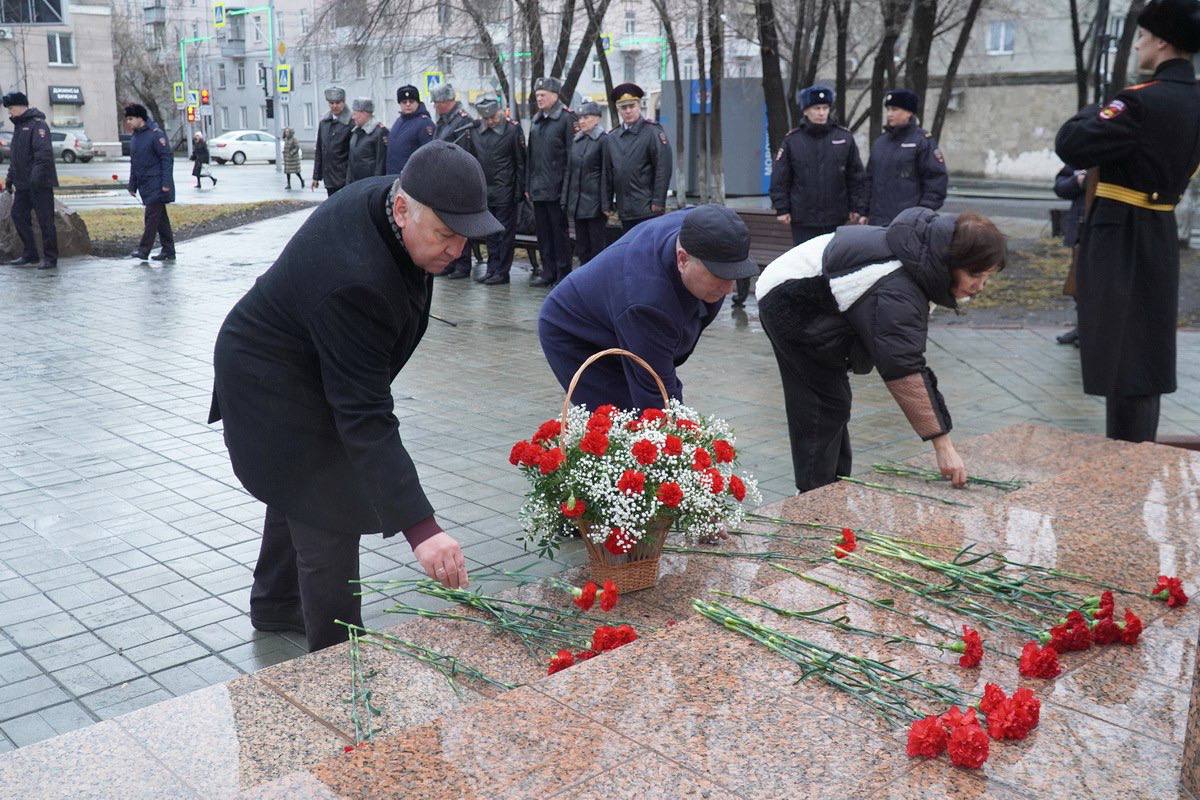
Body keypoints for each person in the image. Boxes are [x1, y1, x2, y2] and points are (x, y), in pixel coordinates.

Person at [208, 141, 503, 652]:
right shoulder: (354, 280)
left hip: (304, 356)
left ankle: (277, 606)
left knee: (295, 485)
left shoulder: (391, 206)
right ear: (404, 208)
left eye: (466, 238)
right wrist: (423, 529)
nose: (458, 251)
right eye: (446, 235)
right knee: (326, 508)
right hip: (269, 377)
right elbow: (365, 414)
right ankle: (339, 662)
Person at [756, 208, 1006, 493]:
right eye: (976, 275)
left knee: (832, 399)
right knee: (822, 402)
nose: (980, 287)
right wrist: (943, 446)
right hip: (790, 298)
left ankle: (831, 488)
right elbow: (904, 368)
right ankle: (816, 495)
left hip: (811, 291)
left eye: (987, 278)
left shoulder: (922, 257)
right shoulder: (898, 287)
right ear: (953, 261)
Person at [1055, 0, 1200, 443]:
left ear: (1160, 41)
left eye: (1141, 36)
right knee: (1147, 353)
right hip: (1160, 230)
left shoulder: (1139, 102)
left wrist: (1099, 106)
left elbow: (1072, 142)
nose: (1137, 44)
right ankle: (1135, 454)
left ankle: (1126, 460)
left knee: (1122, 355)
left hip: (1118, 233)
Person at [538, 205, 759, 410]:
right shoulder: (647, 302)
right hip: (573, 332)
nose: (729, 289)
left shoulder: (701, 230)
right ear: (683, 260)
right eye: (719, 275)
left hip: (622, 314)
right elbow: (658, 397)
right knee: (623, 423)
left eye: (735, 275)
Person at [743, 85, 866, 306]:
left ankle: (831, 304)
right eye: (816, 108)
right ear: (806, 111)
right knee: (805, 263)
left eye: (825, 108)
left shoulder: (843, 138)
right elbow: (780, 178)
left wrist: (857, 207)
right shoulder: (793, 141)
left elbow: (856, 176)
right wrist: (782, 208)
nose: (821, 113)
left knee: (832, 262)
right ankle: (807, 304)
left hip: (835, 216)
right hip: (803, 218)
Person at [862, 89, 948, 226]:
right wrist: (864, 211)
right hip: (877, 222)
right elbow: (869, 180)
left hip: (908, 224)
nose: (889, 114)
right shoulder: (880, 142)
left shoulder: (922, 141)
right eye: (888, 109)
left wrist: (921, 214)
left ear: (909, 112)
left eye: (895, 109)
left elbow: (936, 181)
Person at [527, 76, 576, 287]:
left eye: (543, 95)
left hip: (557, 189)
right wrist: (528, 185)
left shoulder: (566, 119)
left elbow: (571, 156)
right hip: (538, 189)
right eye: (537, 95)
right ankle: (547, 271)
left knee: (559, 235)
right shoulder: (537, 120)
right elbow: (531, 156)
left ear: (555, 96)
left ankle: (562, 273)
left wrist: (566, 188)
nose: (539, 98)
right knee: (543, 235)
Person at [472, 93, 525, 285]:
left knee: (503, 234)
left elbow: (520, 162)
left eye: (493, 117)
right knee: (490, 234)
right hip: (486, 191)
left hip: (506, 191)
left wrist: (519, 191)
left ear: (500, 112)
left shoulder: (512, 130)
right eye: (486, 118)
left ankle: (502, 271)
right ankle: (491, 268)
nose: (491, 121)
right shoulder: (476, 131)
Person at [604, 82, 671, 233]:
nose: (628, 111)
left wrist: (658, 201)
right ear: (618, 109)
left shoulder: (652, 132)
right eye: (623, 107)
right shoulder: (612, 138)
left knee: (647, 251)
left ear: (639, 106)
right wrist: (607, 203)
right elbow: (608, 173)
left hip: (647, 207)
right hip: (624, 209)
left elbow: (663, 167)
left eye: (631, 106)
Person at [2, 91, 57, 270]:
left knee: (45, 221)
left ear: (21, 106)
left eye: (11, 108)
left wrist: (35, 179)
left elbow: (43, 155)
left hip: (40, 184)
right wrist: (10, 179)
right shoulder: (19, 127)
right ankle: (30, 253)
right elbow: (16, 158)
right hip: (23, 184)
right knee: (18, 215)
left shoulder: (38, 125)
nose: (10, 112)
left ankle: (50, 258)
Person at [430, 83, 477, 279]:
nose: (435, 106)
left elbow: (464, 152)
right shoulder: (442, 121)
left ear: (447, 102)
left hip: (459, 180)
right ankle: (450, 262)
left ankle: (463, 263)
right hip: (443, 179)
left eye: (437, 102)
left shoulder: (463, 121)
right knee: (446, 224)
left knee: (459, 224)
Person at [562, 101, 611, 267]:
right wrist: (565, 199)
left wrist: (605, 204)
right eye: (579, 118)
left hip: (594, 204)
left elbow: (606, 173)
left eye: (586, 117)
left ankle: (597, 282)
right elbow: (570, 172)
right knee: (581, 248)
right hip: (577, 203)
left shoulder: (604, 140)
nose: (581, 121)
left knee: (596, 248)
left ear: (597, 119)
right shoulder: (577, 141)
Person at [124, 103, 176, 262]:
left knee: (151, 218)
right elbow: (135, 163)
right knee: (161, 220)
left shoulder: (156, 134)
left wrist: (166, 183)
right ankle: (168, 251)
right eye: (127, 119)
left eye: (131, 119)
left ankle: (143, 250)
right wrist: (132, 185)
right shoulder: (136, 137)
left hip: (158, 184)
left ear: (141, 118)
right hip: (146, 185)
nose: (128, 122)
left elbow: (166, 159)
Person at [1052, 163, 1086, 346]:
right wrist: (1078, 181)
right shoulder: (1083, 152)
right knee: (1077, 283)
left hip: (1103, 231)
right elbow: (1060, 186)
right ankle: (1081, 327)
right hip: (1080, 230)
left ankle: (1092, 330)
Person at [312, 87, 352, 196]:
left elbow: (353, 154)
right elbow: (320, 150)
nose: (334, 106)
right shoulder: (324, 123)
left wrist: (350, 178)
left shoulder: (351, 122)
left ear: (344, 102)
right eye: (331, 103)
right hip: (329, 178)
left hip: (344, 179)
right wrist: (316, 176)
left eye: (338, 103)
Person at [386, 84, 434, 176]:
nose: (408, 104)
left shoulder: (424, 123)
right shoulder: (399, 121)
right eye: (404, 102)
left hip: (412, 179)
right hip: (394, 176)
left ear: (417, 102)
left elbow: (429, 155)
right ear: (400, 104)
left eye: (411, 101)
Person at [346, 98, 388, 184]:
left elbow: (381, 164)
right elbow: (351, 162)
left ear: (365, 113)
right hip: (355, 184)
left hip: (370, 186)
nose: (353, 117)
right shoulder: (356, 132)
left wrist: (376, 186)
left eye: (355, 113)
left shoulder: (379, 132)